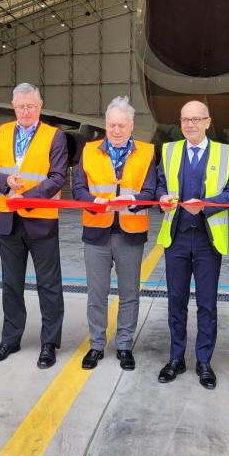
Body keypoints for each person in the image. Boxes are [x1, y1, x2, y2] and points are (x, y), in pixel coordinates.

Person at [0, 83, 68, 369]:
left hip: (40, 218)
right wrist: (5, 183)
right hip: (6, 220)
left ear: (40, 106)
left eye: (30, 106)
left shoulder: (55, 136)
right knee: (11, 284)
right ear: (13, 106)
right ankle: (10, 339)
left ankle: (49, 343)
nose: (25, 111)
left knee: (49, 285)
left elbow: (58, 177)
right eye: (20, 106)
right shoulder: (0, 133)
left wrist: (25, 196)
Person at [155, 100, 229, 389]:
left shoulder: (227, 153)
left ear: (207, 121)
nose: (190, 124)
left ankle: (204, 360)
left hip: (207, 239)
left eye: (196, 119)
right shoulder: (169, 151)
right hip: (176, 237)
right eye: (184, 120)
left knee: (207, 303)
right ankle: (176, 358)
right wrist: (162, 198)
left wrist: (205, 207)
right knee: (175, 302)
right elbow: (159, 184)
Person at [72, 96, 155, 370]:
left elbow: (151, 191)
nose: (116, 131)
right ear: (105, 126)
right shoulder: (89, 150)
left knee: (129, 293)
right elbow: (79, 189)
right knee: (97, 293)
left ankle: (124, 345)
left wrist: (132, 200)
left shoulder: (146, 152)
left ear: (131, 126)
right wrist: (93, 202)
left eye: (122, 125)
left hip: (130, 231)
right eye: (111, 126)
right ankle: (96, 344)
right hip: (96, 230)